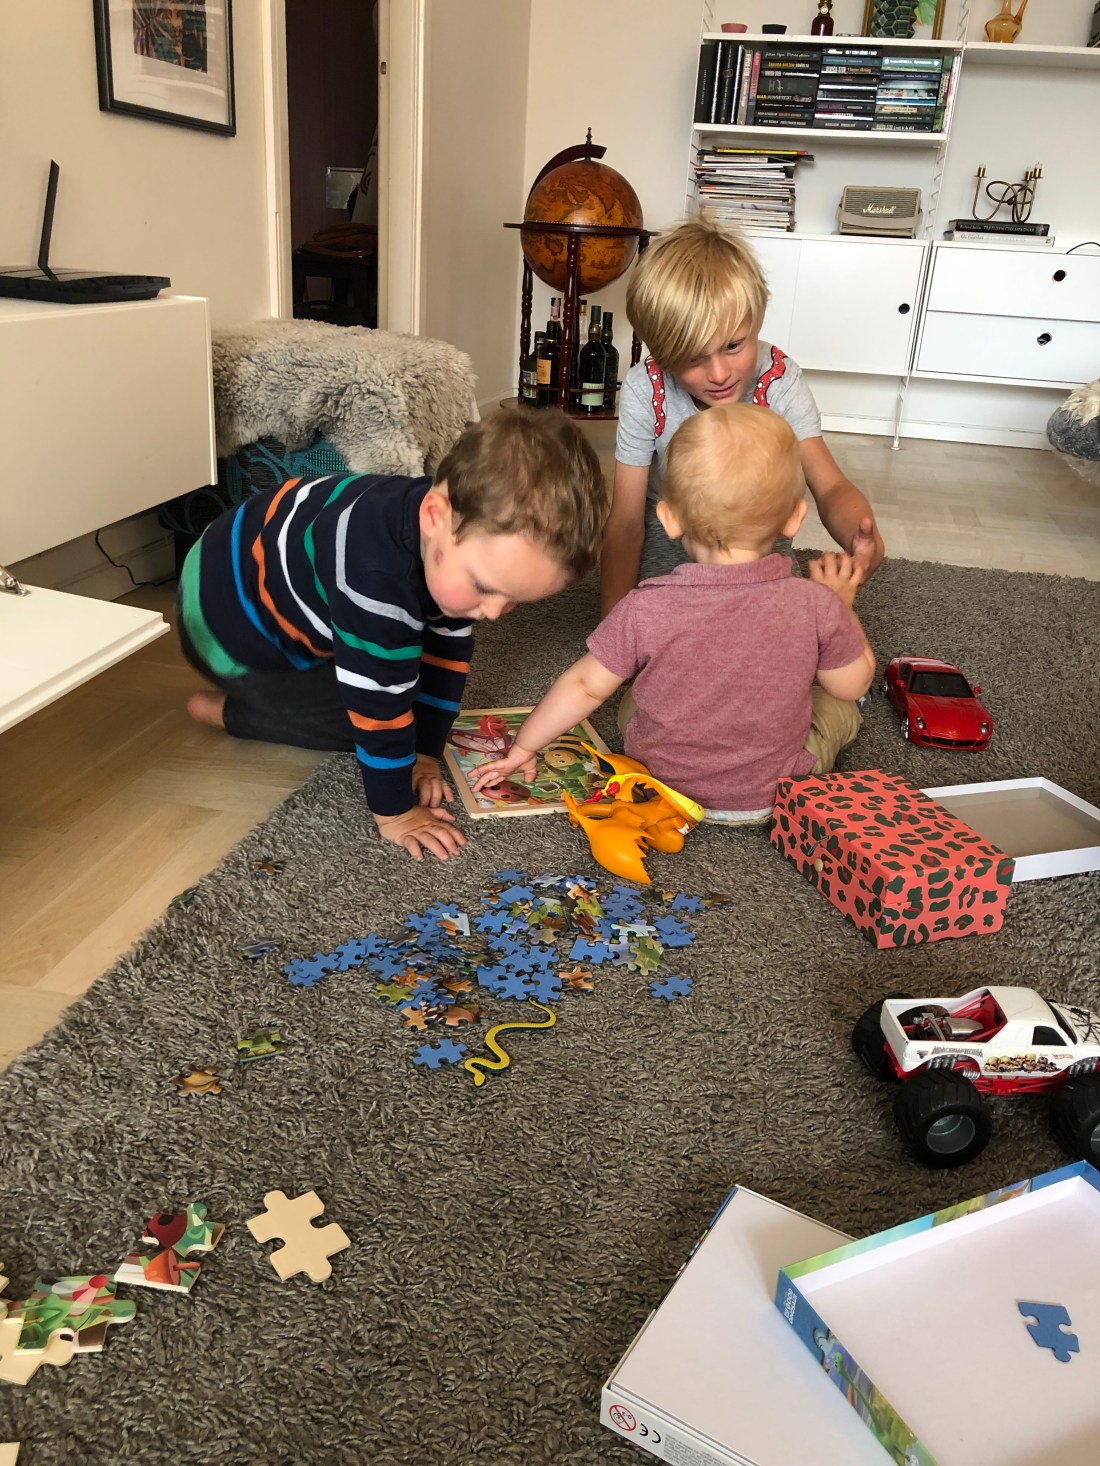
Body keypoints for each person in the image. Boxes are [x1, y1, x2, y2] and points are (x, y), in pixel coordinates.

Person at [178, 411, 608, 861]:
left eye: (515, 600)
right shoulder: (376, 579)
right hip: (226, 631)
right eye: (485, 587)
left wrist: (426, 750)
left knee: (405, 681)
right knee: (367, 718)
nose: (495, 613)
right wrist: (396, 812)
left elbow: (447, 652)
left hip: (249, 574)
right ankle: (234, 711)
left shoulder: (440, 530)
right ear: (434, 516)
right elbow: (377, 707)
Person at [470, 404, 875, 824]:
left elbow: (584, 686)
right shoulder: (816, 602)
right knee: (838, 706)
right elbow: (851, 684)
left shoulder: (644, 606)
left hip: (662, 787)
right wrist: (842, 605)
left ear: (668, 518)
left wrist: (525, 747)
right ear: (795, 519)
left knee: (634, 697)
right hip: (773, 792)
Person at [600, 215, 884, 617]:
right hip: (672, 550)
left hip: (760, 550)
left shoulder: (779, 381)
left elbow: (831, 486)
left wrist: (861, 538)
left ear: (758, 320)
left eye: (733, 346)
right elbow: (626, 522)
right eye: (693, 357)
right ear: (661, 354)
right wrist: (613, 624)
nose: (718, 374)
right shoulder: (645, 389)